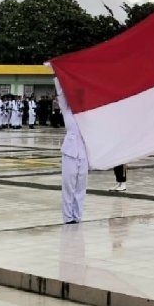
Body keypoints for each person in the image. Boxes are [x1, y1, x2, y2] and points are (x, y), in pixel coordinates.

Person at [58, 80, 88, 223]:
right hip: (70, 152)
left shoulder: (86, 114)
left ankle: (77, 216)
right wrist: (57, 76)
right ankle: (68, 217)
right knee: (68, 186)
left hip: (84, 152)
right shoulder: (67, 110)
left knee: (81, 188)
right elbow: (60, 95)